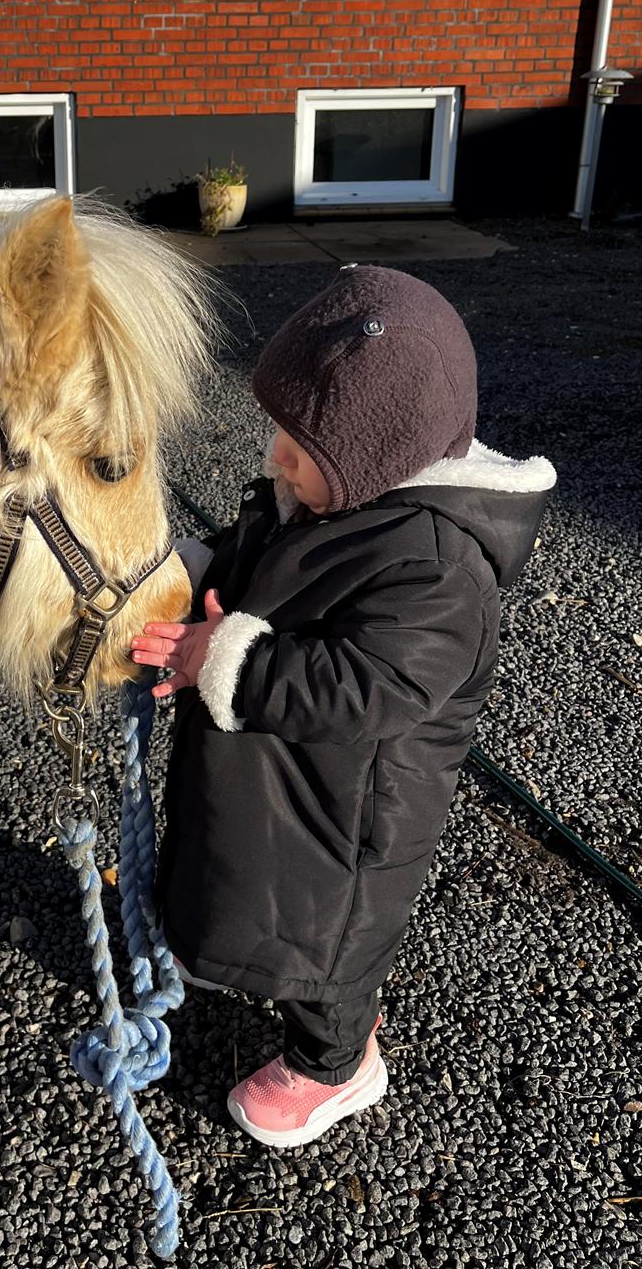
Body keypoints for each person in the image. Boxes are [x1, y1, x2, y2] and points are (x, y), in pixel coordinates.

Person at [130, 264, 556, 1149]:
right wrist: (191, 579)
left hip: (353, 816)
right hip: (277, 772)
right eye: (278, 431)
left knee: (325, 950)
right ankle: (221, 945)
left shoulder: (439, 564)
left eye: (300, 446)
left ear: (379, 454)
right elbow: (254, 562)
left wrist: (232, 664)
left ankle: (336, 1063)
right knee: (236, 869)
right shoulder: (322, 499)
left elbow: (375, 685)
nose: (274, 457)